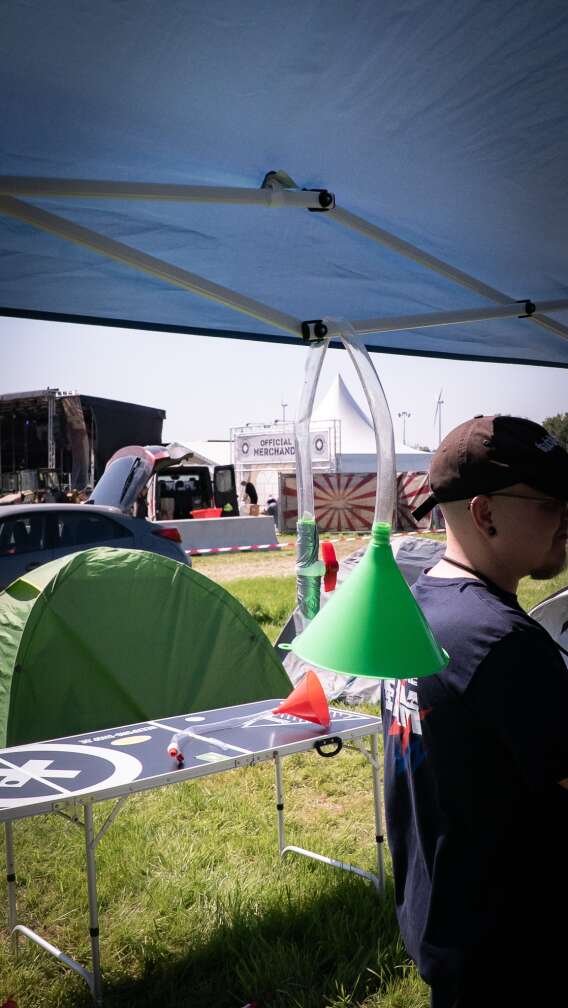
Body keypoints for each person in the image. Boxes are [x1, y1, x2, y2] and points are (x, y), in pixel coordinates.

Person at [381, 414, 568, 1007]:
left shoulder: (419, 607)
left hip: (447, 920)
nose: (567, 521)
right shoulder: (504, 643)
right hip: (514, 950)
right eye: (551, 504)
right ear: (485, 513)